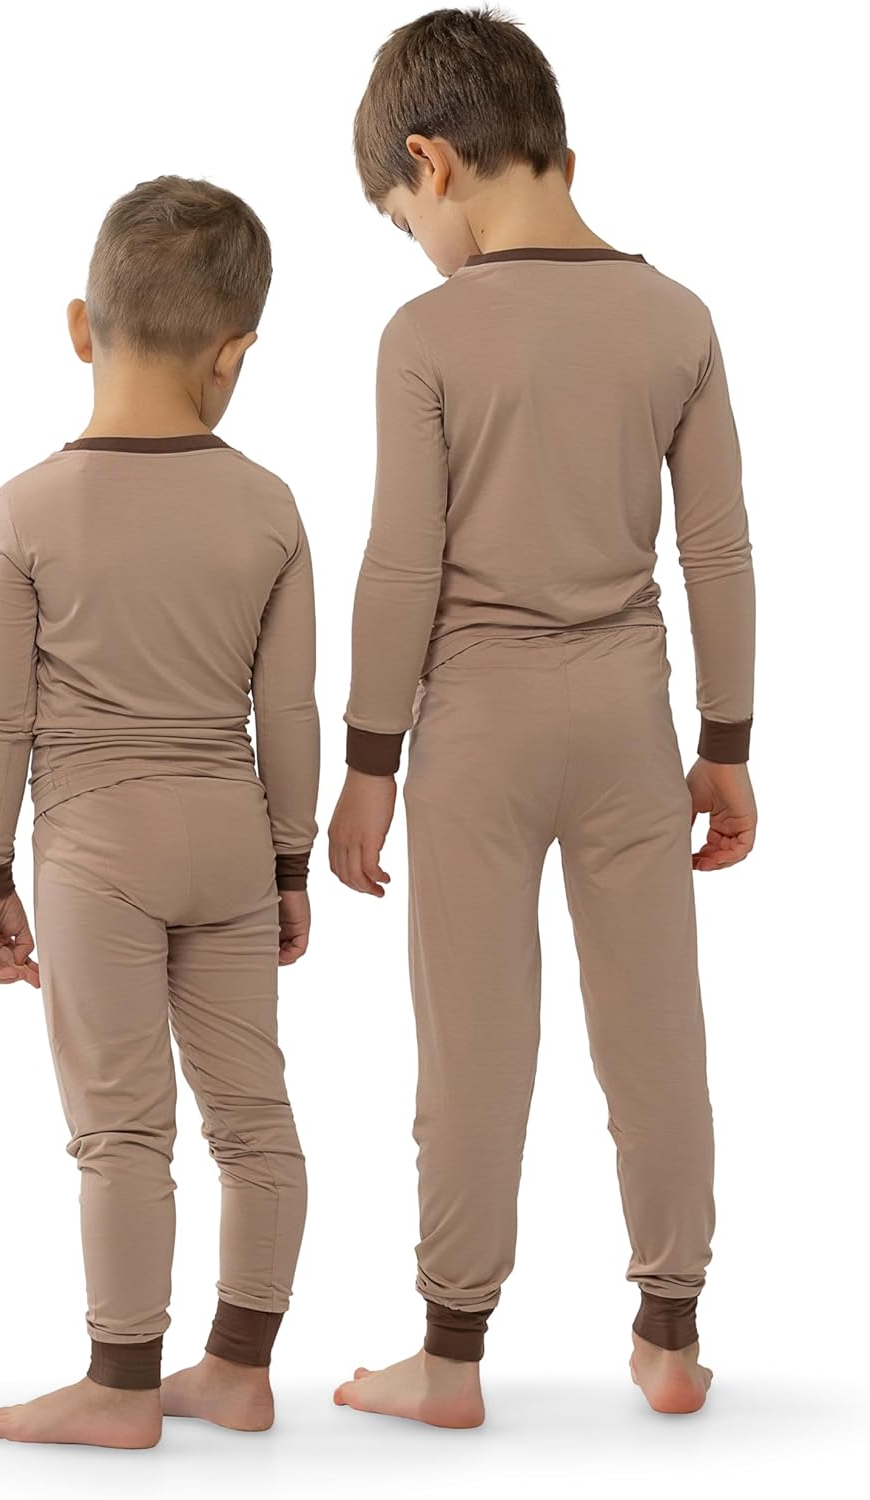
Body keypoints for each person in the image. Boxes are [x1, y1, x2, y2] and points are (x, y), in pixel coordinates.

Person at [329, 7, 756, 1428]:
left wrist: (368, 763)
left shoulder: (425, 335)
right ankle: (670, 1337)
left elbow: (401, 564)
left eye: (401, 219)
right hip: (629, 719)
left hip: (475, 731)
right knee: (655, 1033)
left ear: (430, 163)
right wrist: (725, 746)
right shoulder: (676, 318)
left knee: (471, 1047)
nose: (414, 246)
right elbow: (715, 552)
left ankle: (449, 1358)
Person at [0, 175, 319, 1448]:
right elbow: (288, 713)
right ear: (234, 355)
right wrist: (289, 863)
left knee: (120, 1128)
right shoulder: (269, 506)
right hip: (228, 837)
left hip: (95, 849)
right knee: (252, 1118)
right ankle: (239, 1370)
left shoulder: (27, 508)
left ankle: (120, 1386)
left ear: (81, 326)